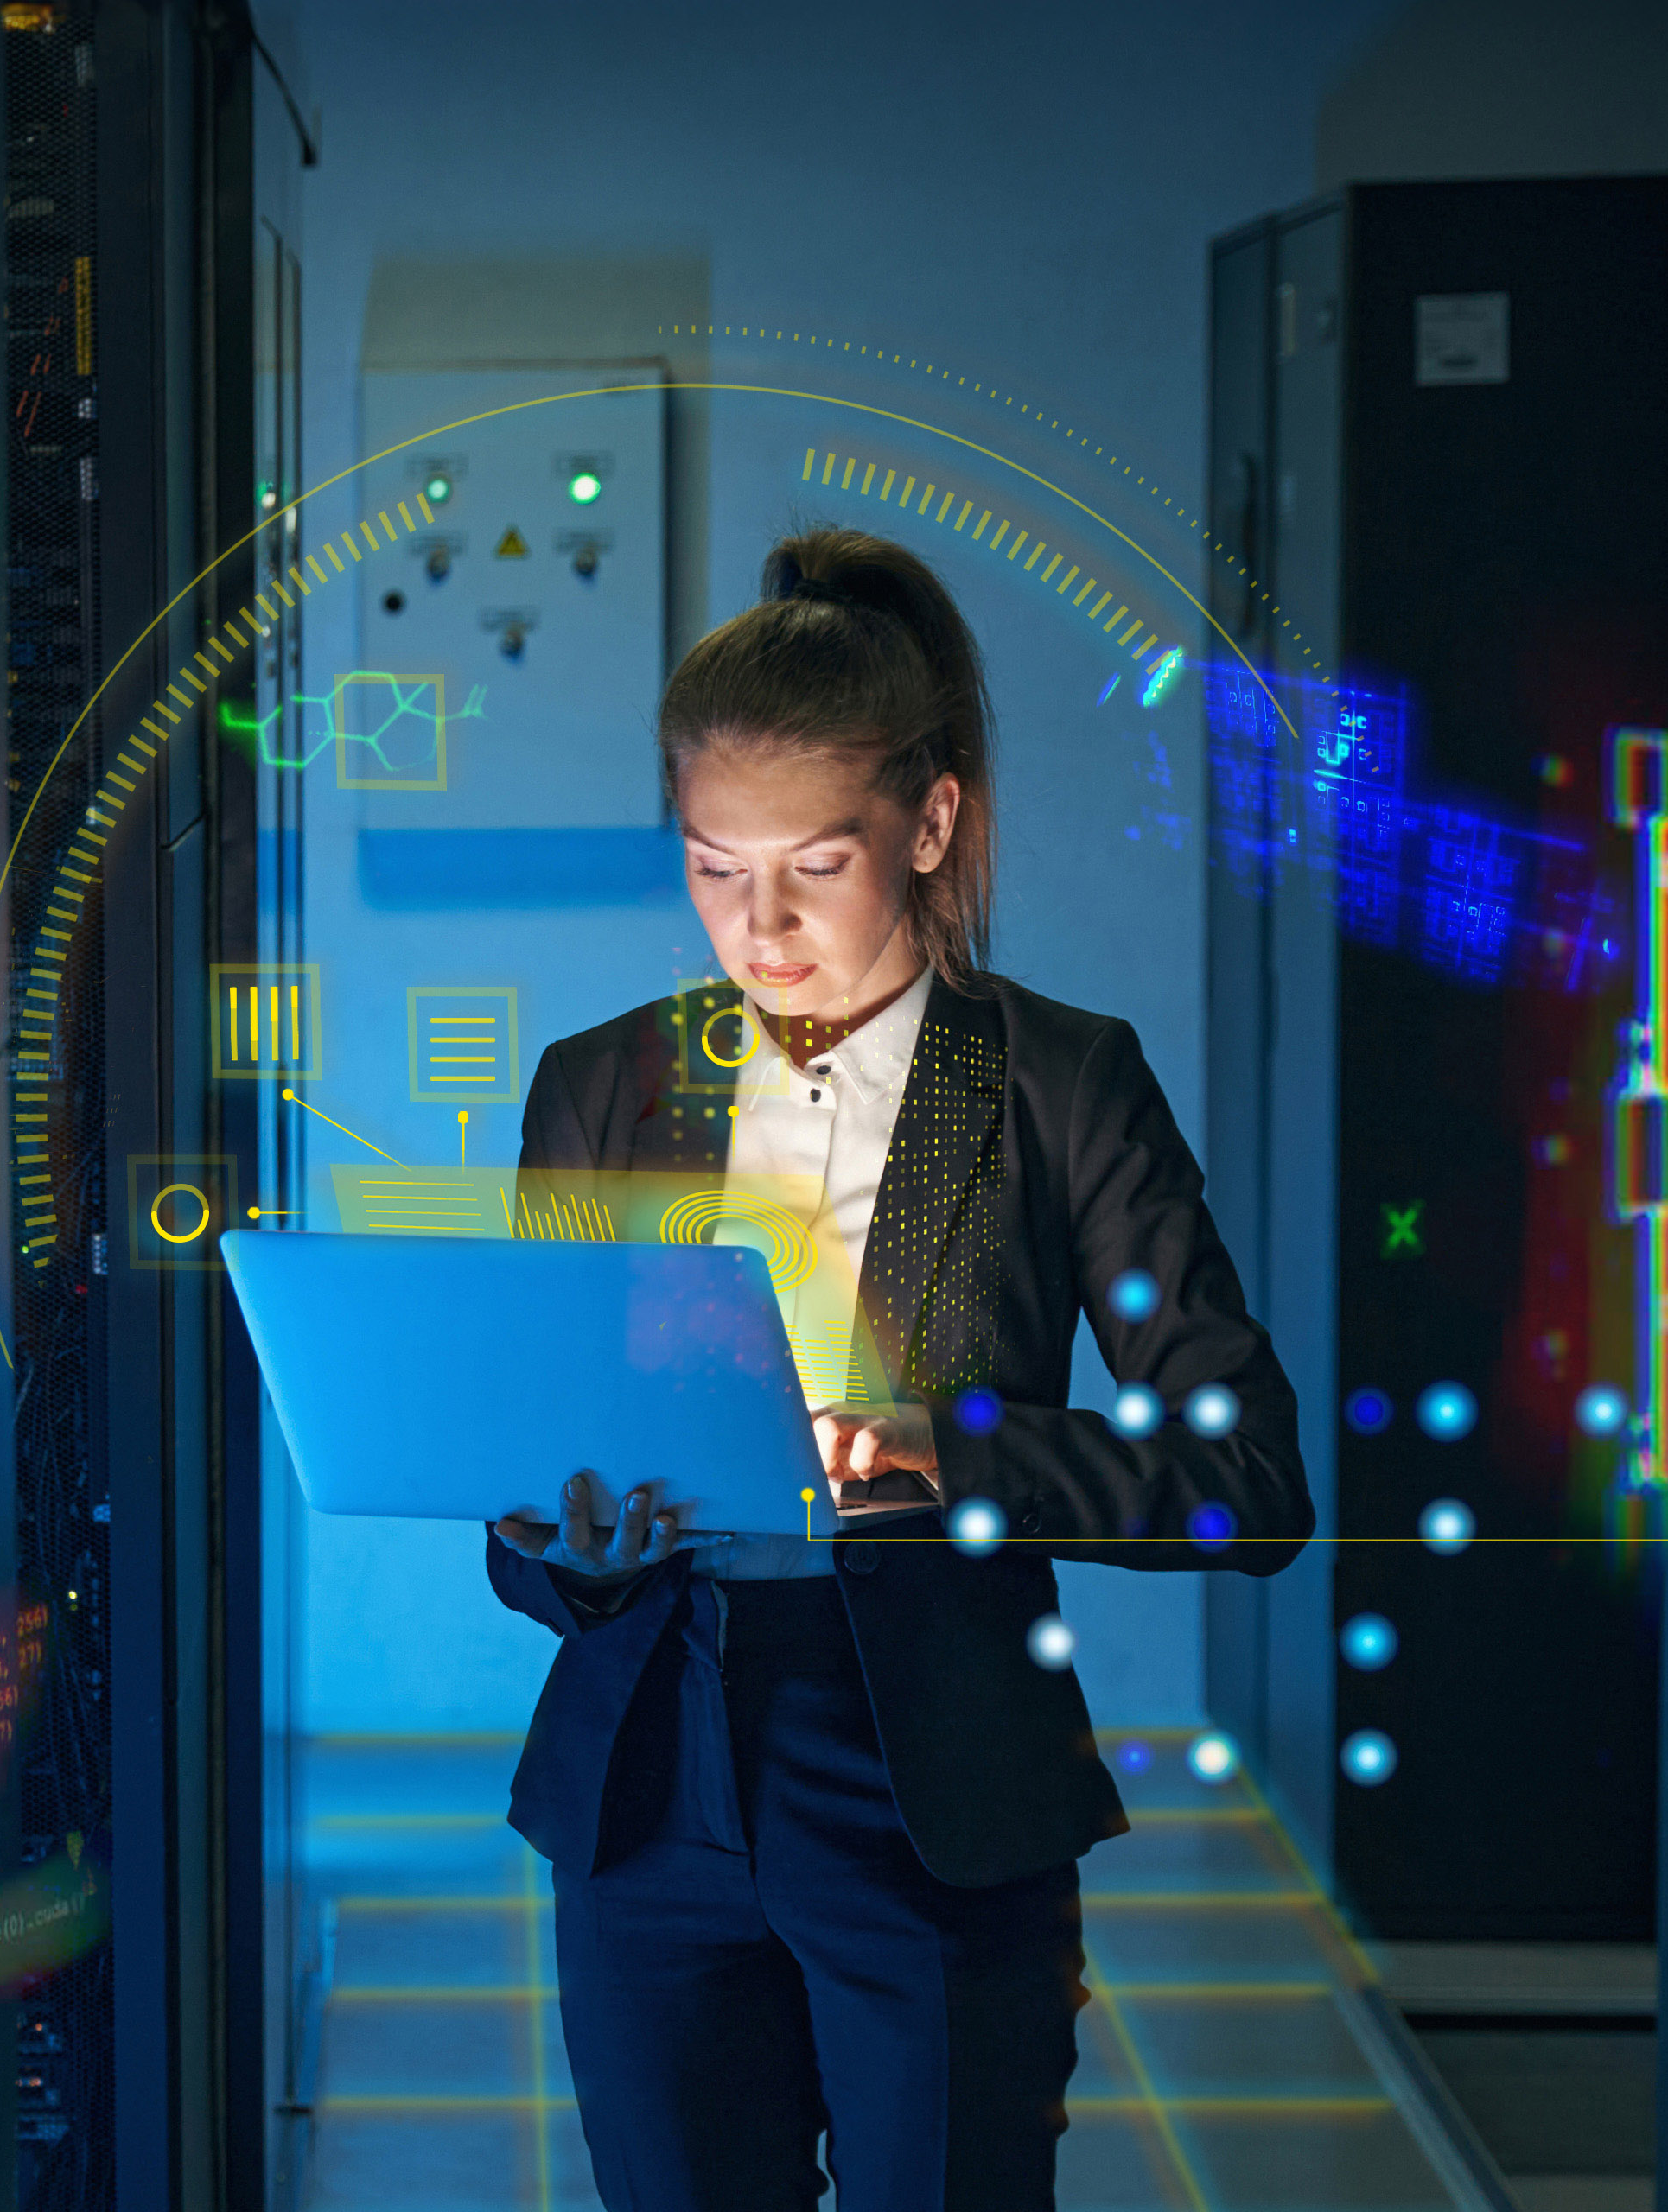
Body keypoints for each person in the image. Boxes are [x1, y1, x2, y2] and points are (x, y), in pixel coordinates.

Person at [481, 525, 1310, 2211]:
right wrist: (564, 1536)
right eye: (716, 865)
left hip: (928, 1775)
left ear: (928, 824)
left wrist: (957, 1448)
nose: (758, 923)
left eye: (814, 865)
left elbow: (1250, 1479)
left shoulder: (1060, 1083)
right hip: (646, 1786)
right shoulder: (599, 1082)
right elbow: (526, 1492)